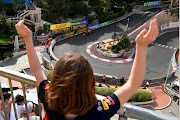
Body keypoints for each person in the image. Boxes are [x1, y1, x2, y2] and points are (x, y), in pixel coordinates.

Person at [15, 19, 159, 120]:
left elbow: (37, 72)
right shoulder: (99, 110)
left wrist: (28, 39)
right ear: (90, 85)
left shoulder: (48, 97)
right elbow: (133, 84)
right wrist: (141, 46)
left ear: (56, 82)